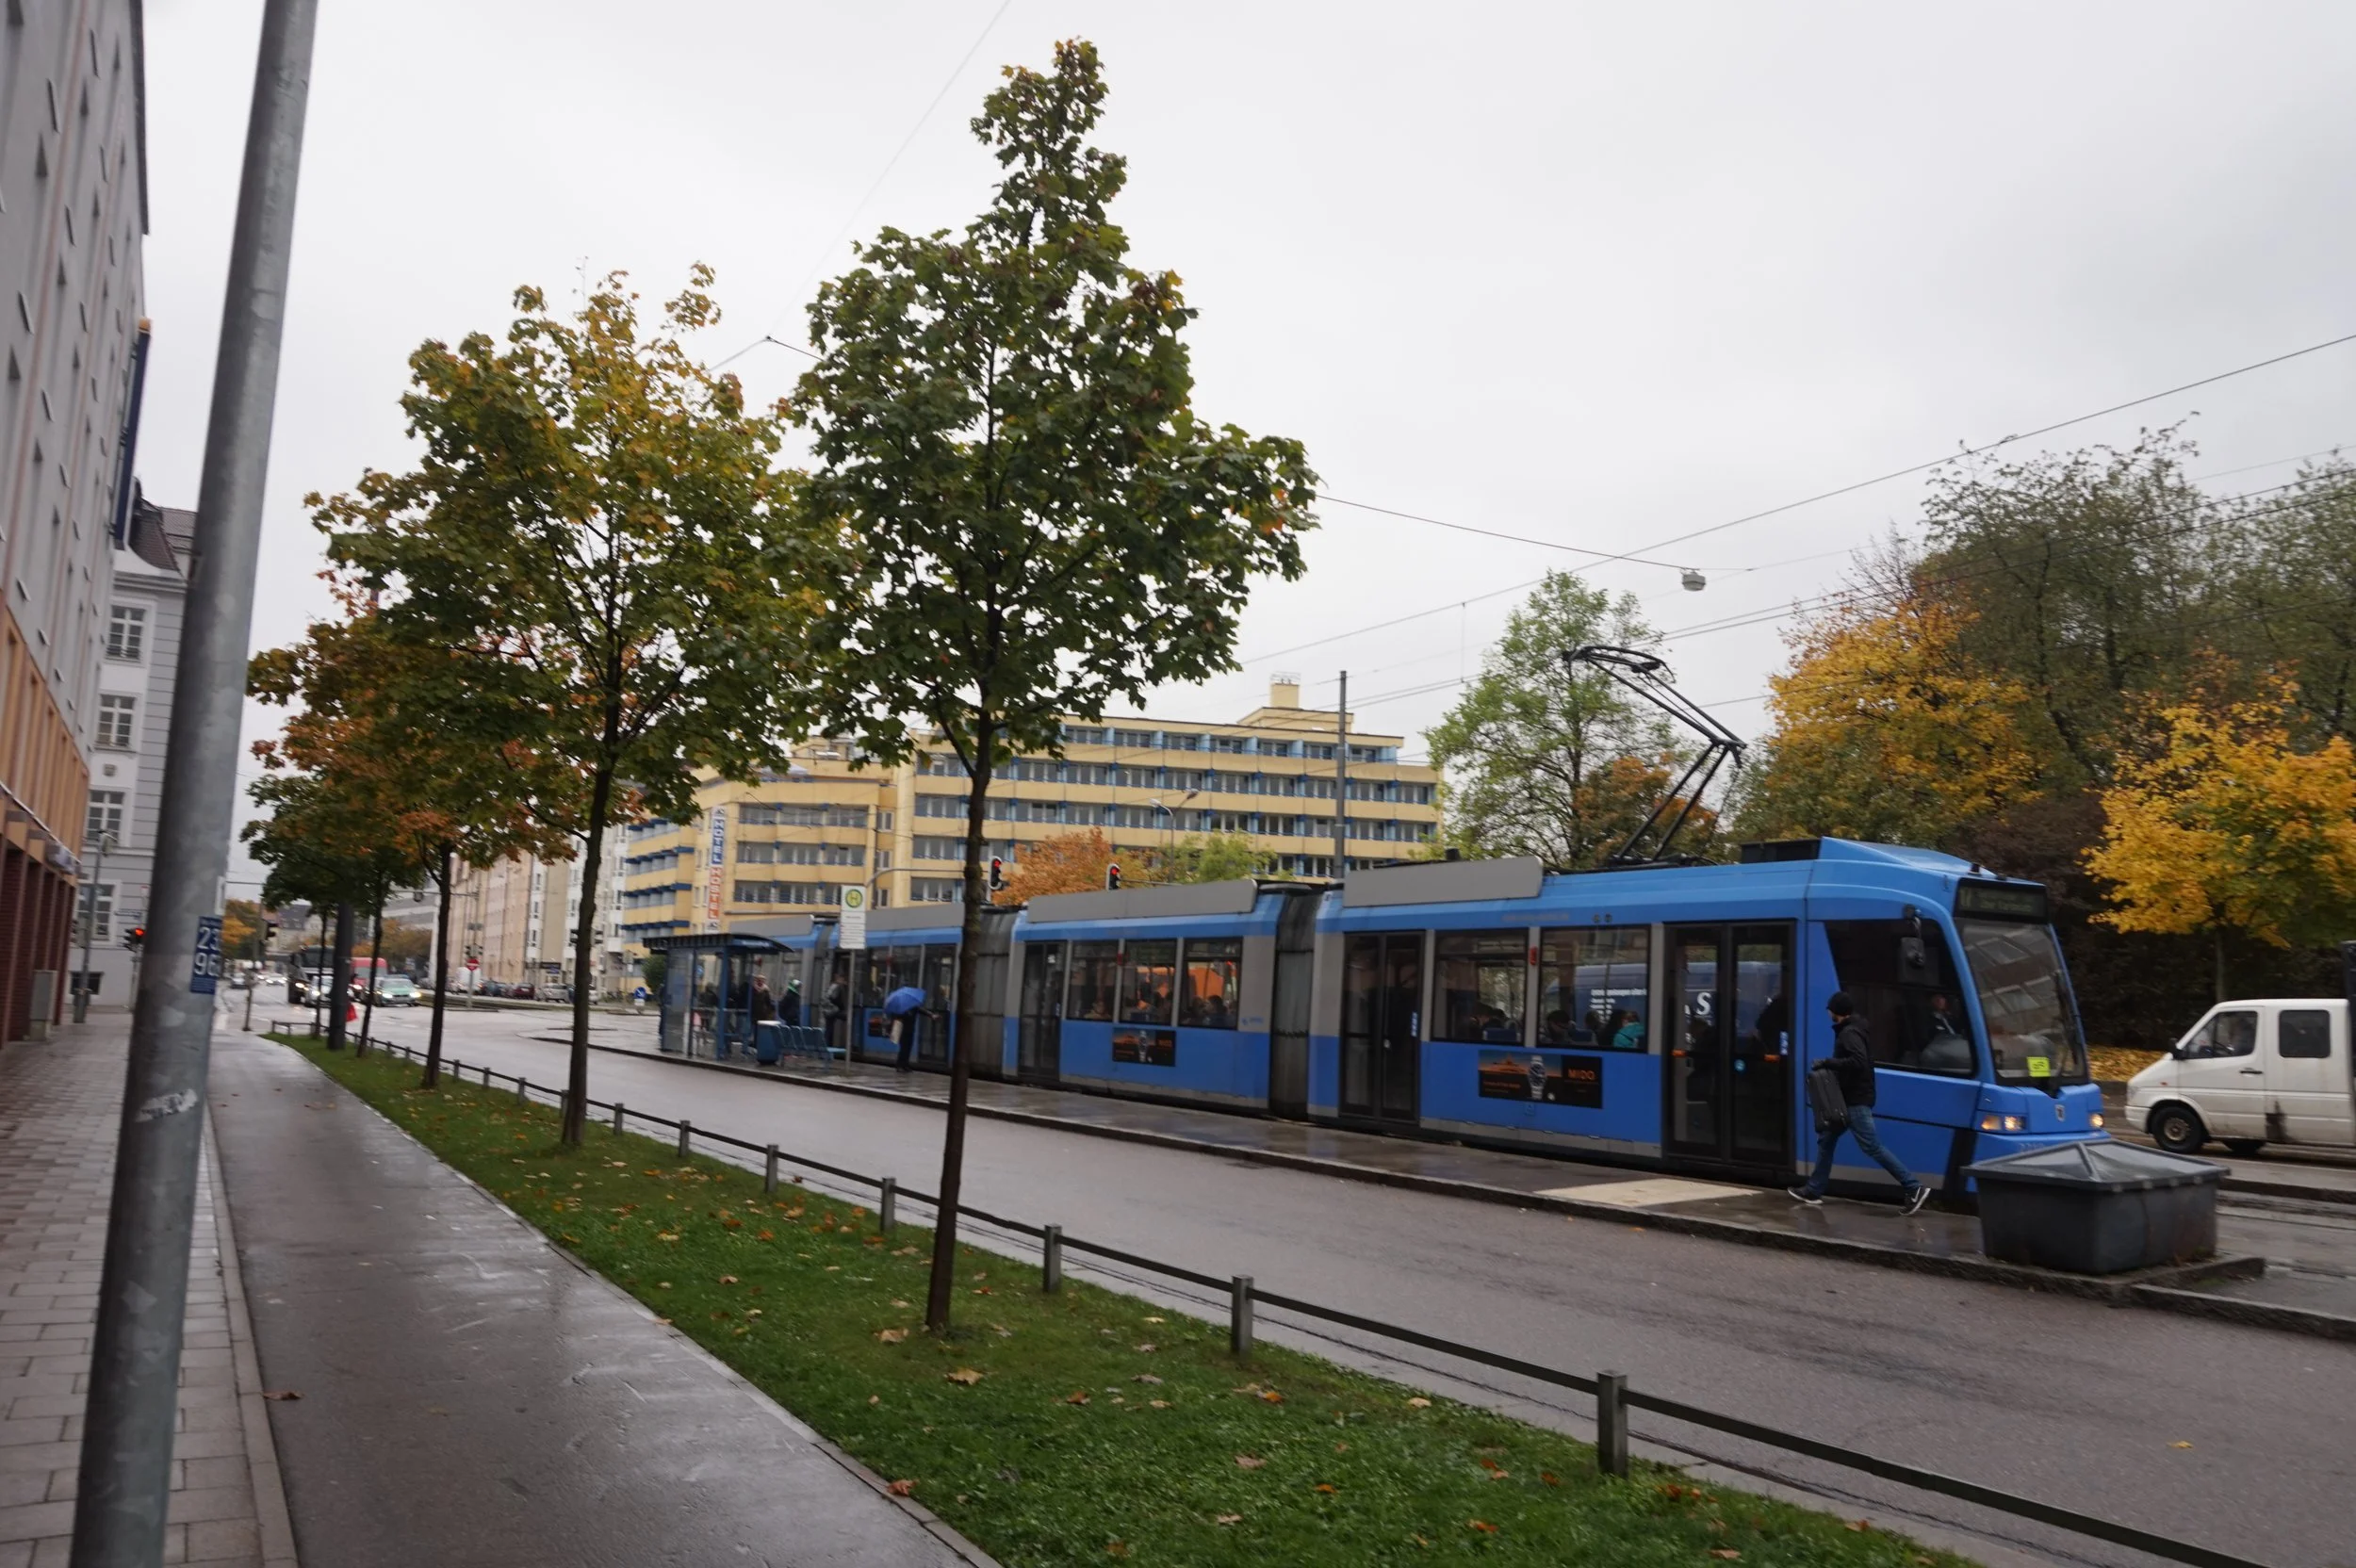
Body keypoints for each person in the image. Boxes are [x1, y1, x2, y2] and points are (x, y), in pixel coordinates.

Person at [1790, 991, 1930, 1214]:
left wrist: (1828, 1062)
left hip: (1854, 1100)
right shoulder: (1854, 1029)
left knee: (1872, 1147)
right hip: (1846, 1099)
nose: (1827, 1013)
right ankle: (1814, 1189)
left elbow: (1859, 1061)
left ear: (1836, 1012)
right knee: (1826, 1141)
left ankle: (1913, 1186)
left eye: (1829, 1009)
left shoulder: (1849, 1033)